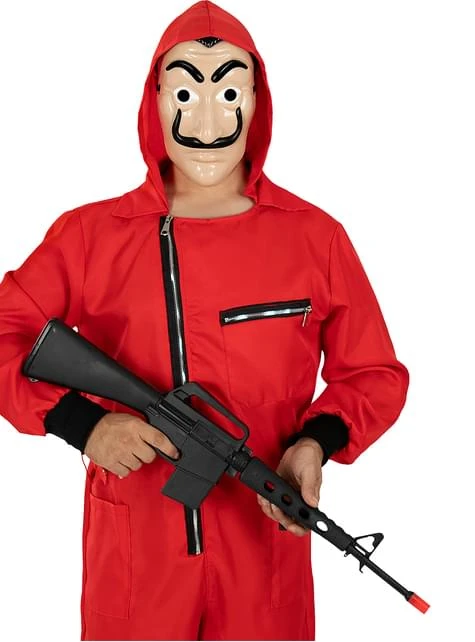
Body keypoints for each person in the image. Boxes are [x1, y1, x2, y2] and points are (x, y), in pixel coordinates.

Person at [0, 1, 409, 640]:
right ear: (156, 100)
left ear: (257, 101)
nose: (209, 119)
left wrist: (315, 443)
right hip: (135, 554)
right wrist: (81, 424)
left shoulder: (315, 238)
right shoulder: (88, 236)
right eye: (187, 92)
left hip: (264, 544)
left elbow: (374, 374)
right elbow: (6, 332)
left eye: (230, 92)